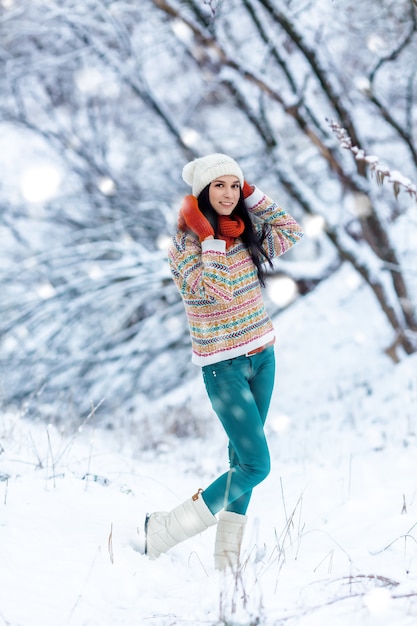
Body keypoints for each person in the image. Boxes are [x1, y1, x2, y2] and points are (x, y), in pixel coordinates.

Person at [143, 153, 304, 570]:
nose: (230, 194)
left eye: (236, 186)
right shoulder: (183, 245)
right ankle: (164, 529)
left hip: (263, 357)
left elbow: (290, 229)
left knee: (241, 461)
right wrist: (209, 235)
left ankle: (226, 557)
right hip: (224, 369)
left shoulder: (245, 235)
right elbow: (216, 290)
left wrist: (252, 195)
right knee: (255, 464)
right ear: (202, 192)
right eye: (220, 186)